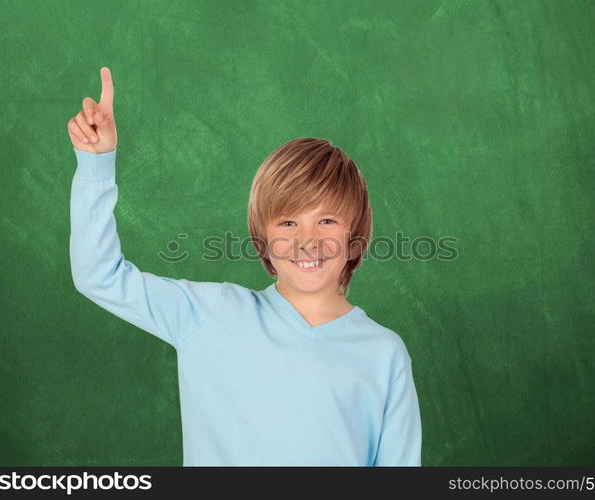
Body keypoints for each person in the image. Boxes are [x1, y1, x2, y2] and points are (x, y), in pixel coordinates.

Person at [67, 67, 422, 466]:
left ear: (354, 231)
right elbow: (99, 275)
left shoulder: (384, 354)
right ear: (263, 239)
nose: (308, 241)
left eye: (327, 220)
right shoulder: (209, 315)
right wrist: (96, 165)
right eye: (288, 222)